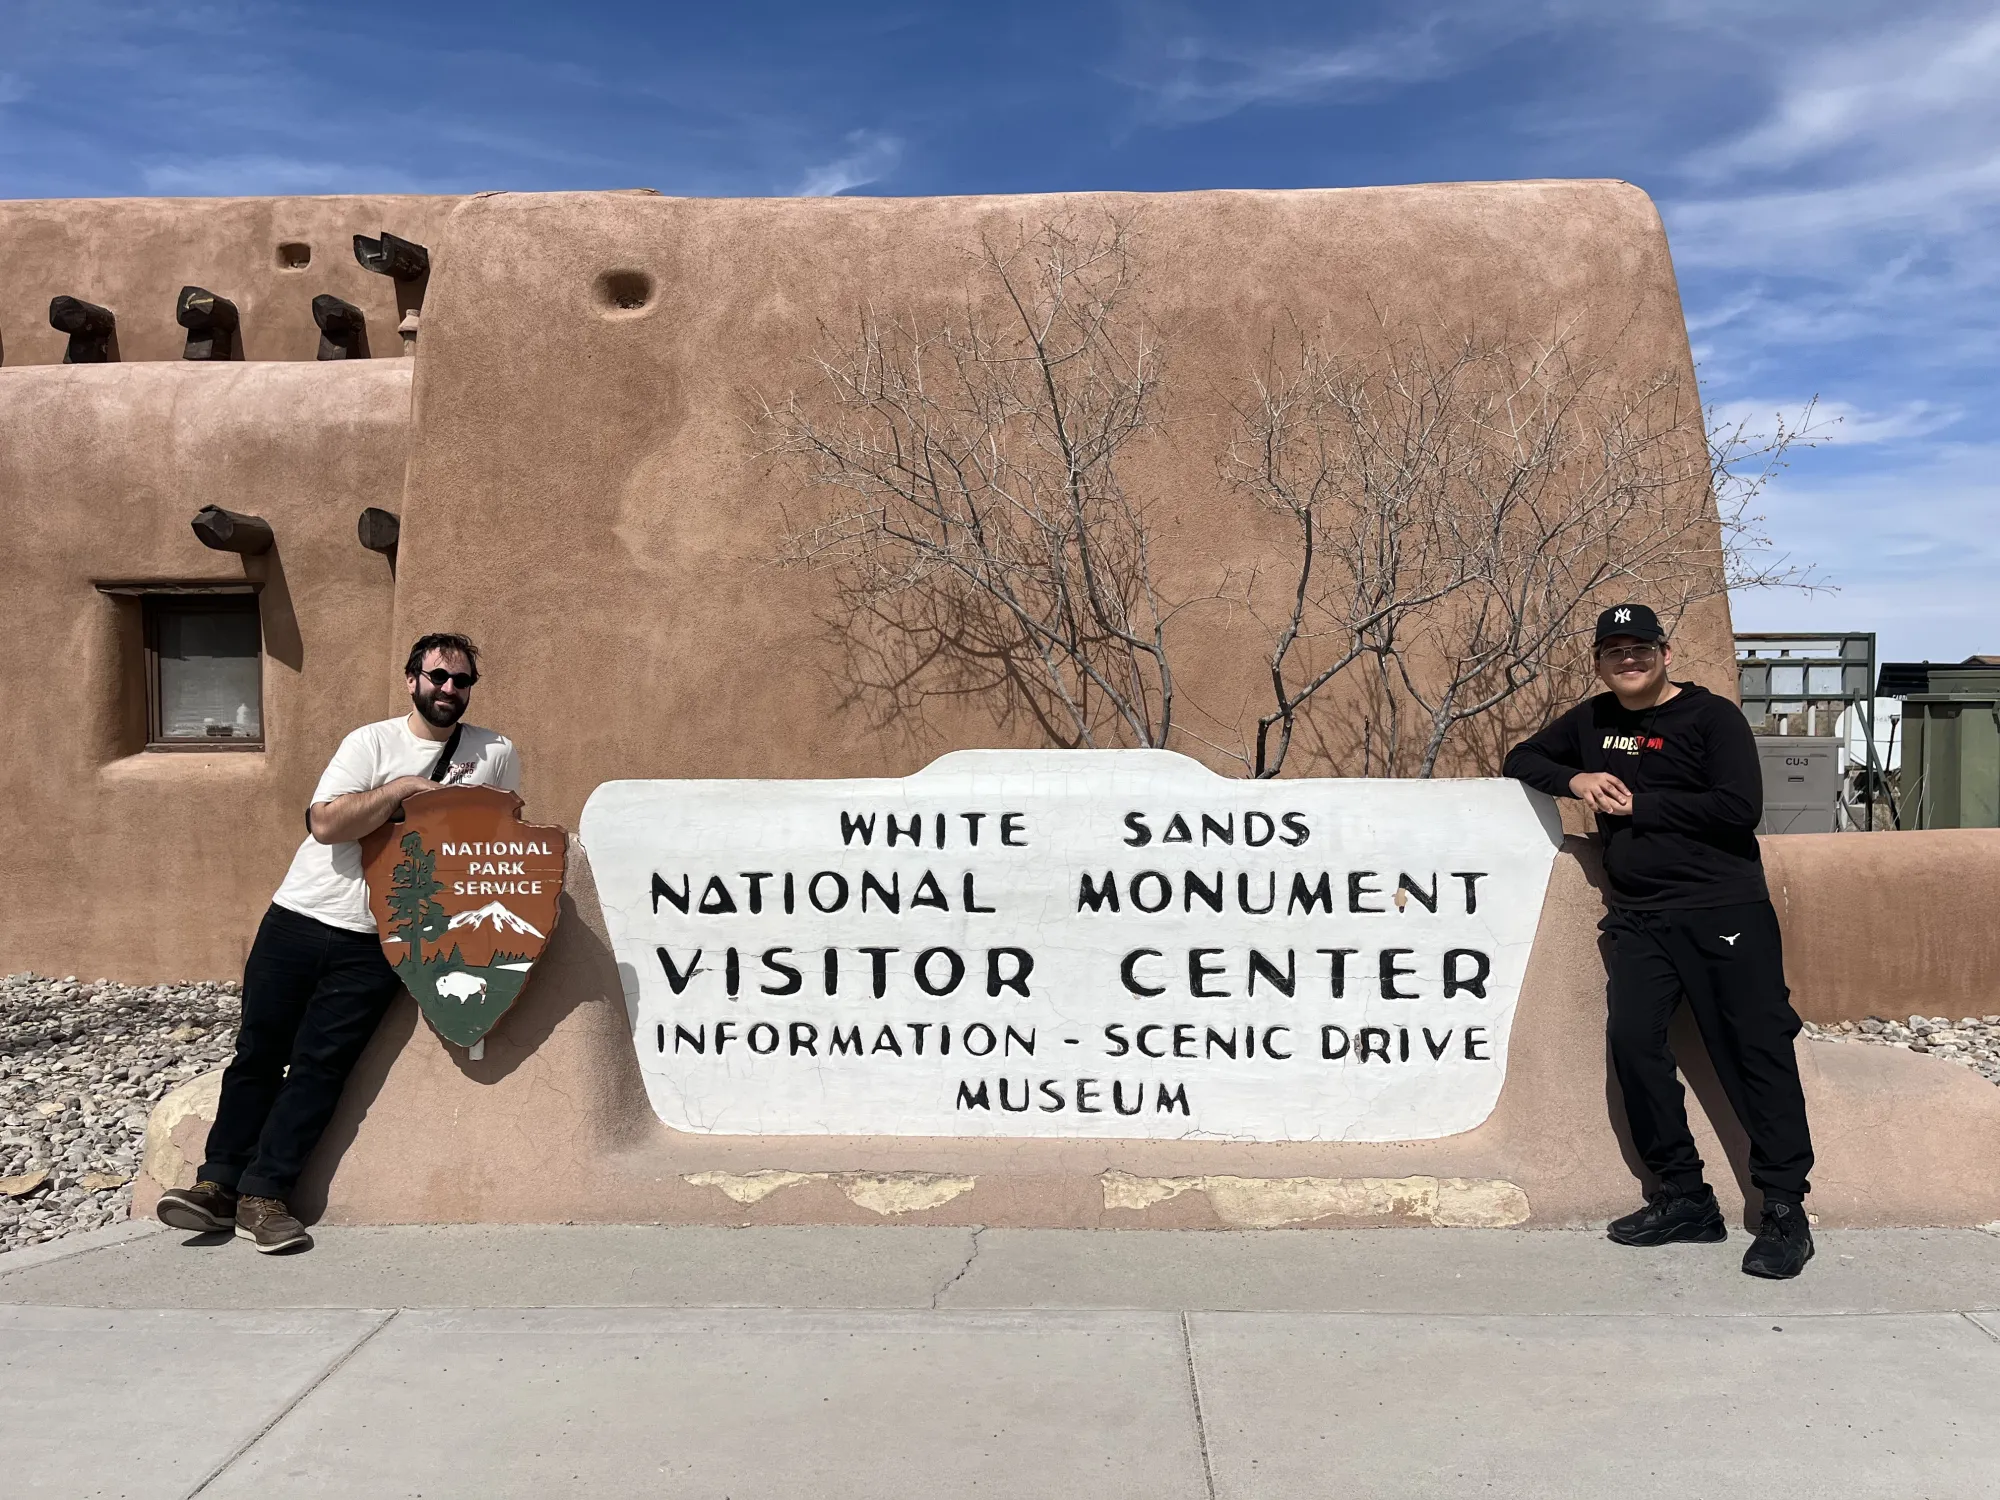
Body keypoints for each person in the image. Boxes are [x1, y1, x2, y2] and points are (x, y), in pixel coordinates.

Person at [154, 633, 520, 1253]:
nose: (449, 691)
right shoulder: (370, 742)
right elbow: (326, 824)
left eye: (462, 682)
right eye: (438, 677)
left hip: (381, 938)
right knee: (260, 1054)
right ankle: (216, 1186)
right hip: (300, 917)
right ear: (412, 680)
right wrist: (404, 790)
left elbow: (492, 840)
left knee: (322, 1069)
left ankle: (265, 1196)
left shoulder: (495, 752)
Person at [1504, 603, 1816, 1279]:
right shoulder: (1592, 720)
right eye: (1614, 650)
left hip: (1723, 912)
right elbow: (1521, 757)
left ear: (1665, 654)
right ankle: (1685, 1196)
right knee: (1633, 1046)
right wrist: (1575, 778)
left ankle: (1785, 1211)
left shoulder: (1711, 719)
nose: (1629, 660)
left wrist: (1642, 806)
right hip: (1640, 918)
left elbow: (1739, 808)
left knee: (1754, 1053)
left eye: (1640, 648)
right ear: (1599, 662)